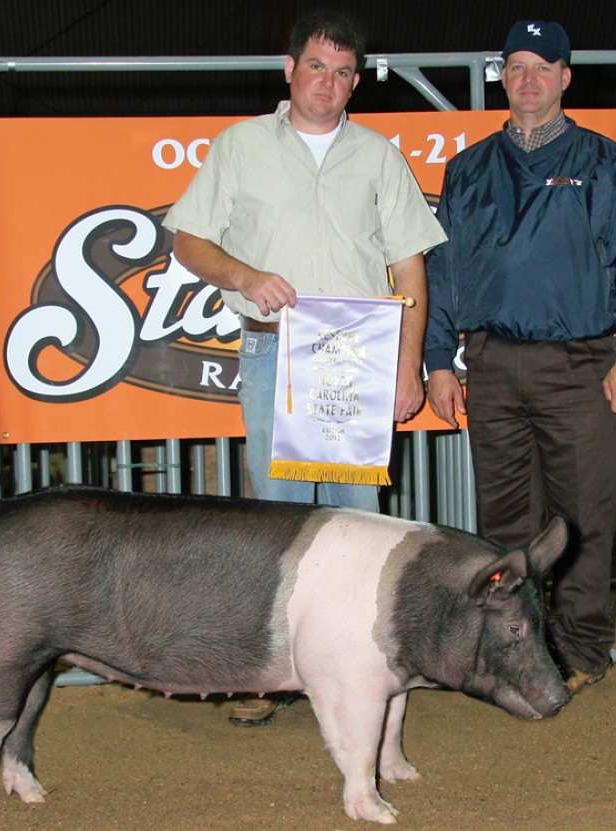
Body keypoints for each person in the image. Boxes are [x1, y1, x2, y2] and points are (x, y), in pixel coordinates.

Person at [163, 11, 446, 724]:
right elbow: (190, 241)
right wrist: (244, 273)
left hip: (356, 358)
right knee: (279, 523)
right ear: (289, 69)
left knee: (358, 522)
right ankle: (269, 672)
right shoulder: (240, 145)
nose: (329, 83)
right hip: (274, 350)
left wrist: (408, 365)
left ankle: (367, 667)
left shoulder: (380, 156)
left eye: (343, 72)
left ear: (357, 80)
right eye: (317, 66)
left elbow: (408, 261)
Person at [424, 20, 616, 695]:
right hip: (493, 363)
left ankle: (582, 644)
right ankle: (513, 647)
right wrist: (438, 357)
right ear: (504, 77)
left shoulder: (605, 163)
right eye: (516, 66)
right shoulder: (468, 169)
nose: (527, 79)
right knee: (504, 520)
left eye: (542, 67)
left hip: (579, 360)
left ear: (565, 77)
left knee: (583, 511)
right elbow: (442, 272)